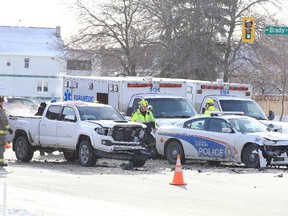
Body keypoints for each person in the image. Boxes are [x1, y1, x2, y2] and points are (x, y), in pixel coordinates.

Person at [0, 96, 12, 166]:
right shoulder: (0, 110)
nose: (3, 103)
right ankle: (0, 161)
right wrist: (9, 128)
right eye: (2, 102)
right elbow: (4, 120)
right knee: (1, 147)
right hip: (1, 133)